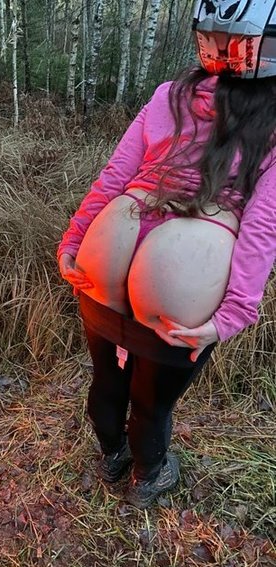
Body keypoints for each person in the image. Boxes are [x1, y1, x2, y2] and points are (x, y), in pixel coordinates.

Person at [58, 0, 276, 509]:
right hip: (184, 265)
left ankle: (111, 457)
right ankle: (147, 477)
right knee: (151, 402)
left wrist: (74, 238)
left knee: (106, 377)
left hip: (112, 239)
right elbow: (262, 227)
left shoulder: (168, 95)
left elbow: (115, 176)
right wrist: (234, 314)